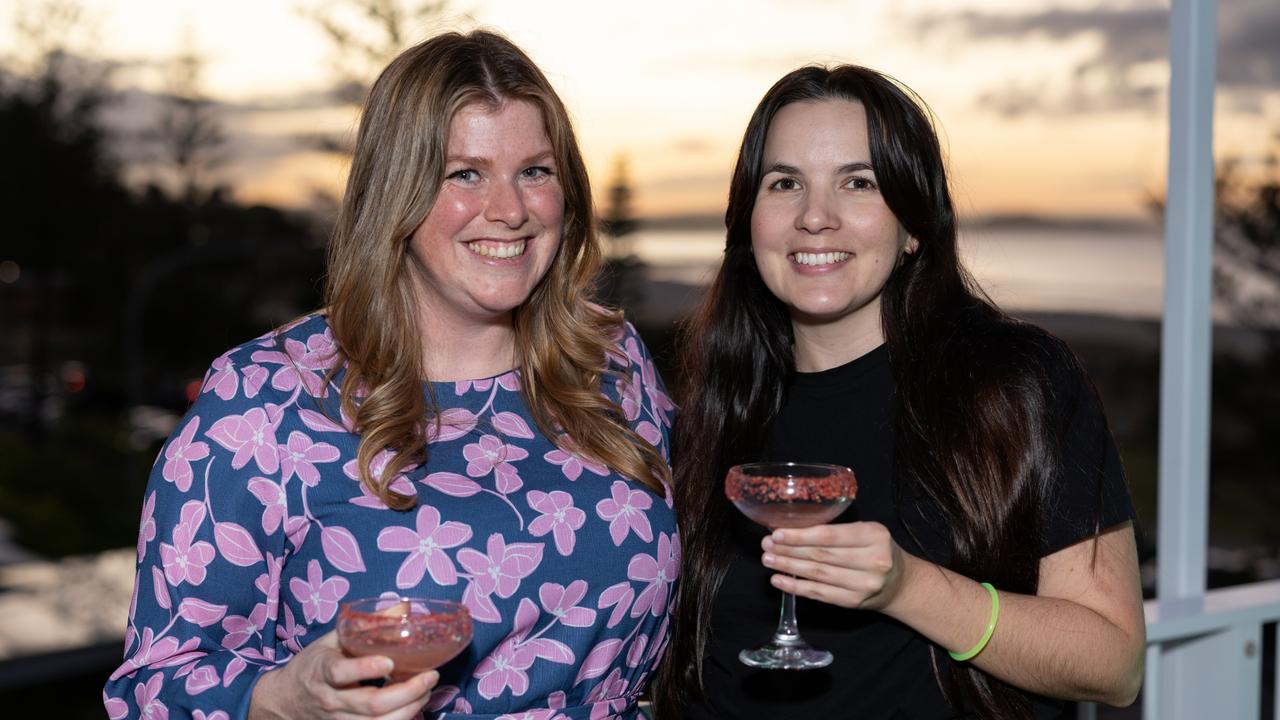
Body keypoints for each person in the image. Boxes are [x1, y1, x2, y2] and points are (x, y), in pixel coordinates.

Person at [104, 30, 676, 720]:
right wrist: (285, 700)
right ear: (394, 191)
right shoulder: (265, 396)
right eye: (463, 173)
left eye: (536, 171)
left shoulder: (610, 361)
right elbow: (151, 690)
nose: (512, 210)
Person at [654, 64, 1145, 719]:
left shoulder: (1015, 386)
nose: (815, 218)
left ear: (914, 226)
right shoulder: (715, 413)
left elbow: (1113, 664)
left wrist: (908, 587)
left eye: (858, 182)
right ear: (748, 223)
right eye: (785, 183)